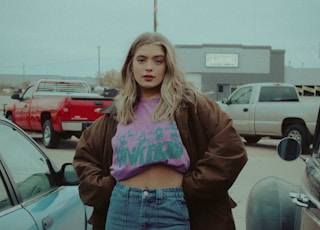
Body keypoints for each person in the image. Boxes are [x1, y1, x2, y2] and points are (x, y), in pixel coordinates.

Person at [73, 32, 248, 230]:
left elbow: (231, 149)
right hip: (122, 208)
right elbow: (84, 155)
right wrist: (106, 189)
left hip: (172, 208)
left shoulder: (190, 105)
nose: (149, 67)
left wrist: (192, 186)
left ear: (168, 66)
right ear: (131, 65)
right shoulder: (118, 111)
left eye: (158, 61)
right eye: (141, 60)